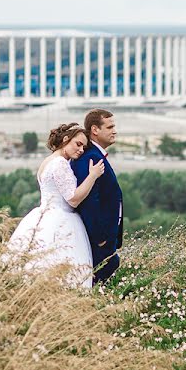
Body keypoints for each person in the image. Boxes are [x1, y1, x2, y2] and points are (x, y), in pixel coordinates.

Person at [5, 123, 105, 288]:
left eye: (84, 147)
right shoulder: (60, 163)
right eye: (78, 144)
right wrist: (92, 176)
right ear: (66, 139)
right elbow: (73, 199)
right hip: (61, 220)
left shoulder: (47, 161)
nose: (81, 150)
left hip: (43, 215)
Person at [71, 109, 124, 284]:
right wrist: (101, 238)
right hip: (98, 243)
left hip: (105, 241)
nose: (114, 131)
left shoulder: (95, 154)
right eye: (110, 127)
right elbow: (89, 200)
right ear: (95, 129)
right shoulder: (90, 157)